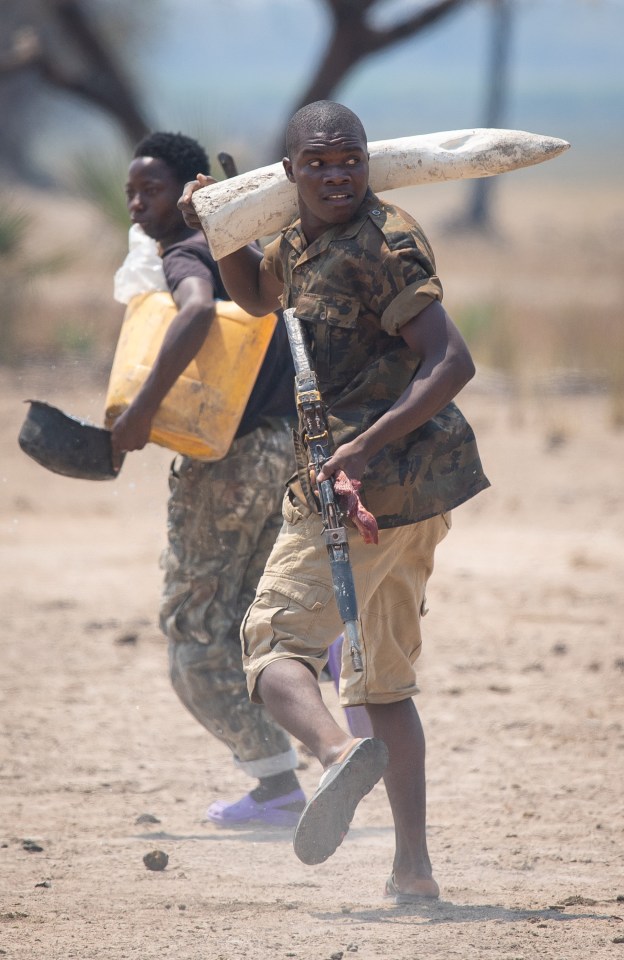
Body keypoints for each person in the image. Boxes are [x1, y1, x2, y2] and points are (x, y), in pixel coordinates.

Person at [180, 101, 489, 900]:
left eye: (348, 159)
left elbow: (450, 361)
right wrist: (220, 225)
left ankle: (330, 754)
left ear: (367, 160)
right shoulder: (298, 238)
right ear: (291, 173)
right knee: (383, 683)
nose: (336, 174)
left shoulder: (384, 240)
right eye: (317, 163)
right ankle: (413, 873)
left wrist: (362, 446)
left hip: (370, 485)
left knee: (270, 642)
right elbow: (255, 298)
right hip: (413, 486)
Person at [110, 131, 307, 827]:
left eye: (153, 190)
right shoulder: (244, 249)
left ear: (191, 187)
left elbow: (194, 313)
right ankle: (296, 765)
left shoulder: (192, 250)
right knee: (244, 619)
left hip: (234, 458)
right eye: (131, 191)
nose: (139, 204)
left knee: (194, 640)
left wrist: (136, 416)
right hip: (287, 449)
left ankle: (279, 785)